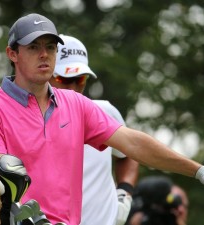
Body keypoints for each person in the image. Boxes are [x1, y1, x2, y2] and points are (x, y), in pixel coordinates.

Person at [0, 13, 204, 225]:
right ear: (13, 54)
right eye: (33, 47)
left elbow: (133, 144)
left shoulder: (77, 104)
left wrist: (199, 170)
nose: (44, 54)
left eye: (50, 46)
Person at [48, 34, 139, 225]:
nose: (73, 87)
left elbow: (130, 153)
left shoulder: (104, 111)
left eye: (80, 80)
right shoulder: (22, 120)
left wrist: (124, 194)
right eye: (64, 79)